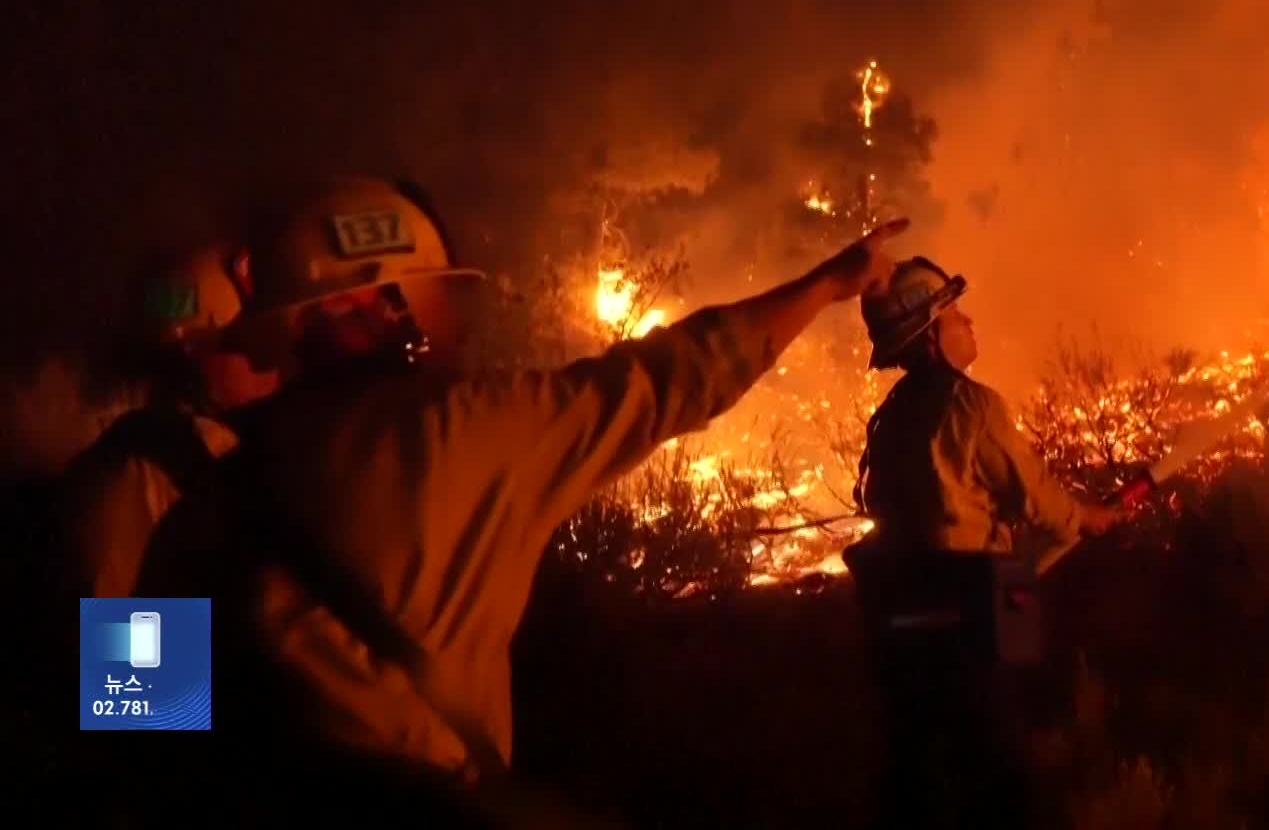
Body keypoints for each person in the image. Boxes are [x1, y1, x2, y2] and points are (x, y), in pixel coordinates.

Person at [136, 177, 906, 823]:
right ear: (370, 308)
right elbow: (674, 377)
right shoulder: (469, 431)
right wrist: (824, 286)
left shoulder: (196, 491)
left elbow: (134, 716)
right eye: (418, 298)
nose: (436, 320)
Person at [845, 256, 1120, 828]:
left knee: (916, 764)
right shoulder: (974, 406)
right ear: (930, 339)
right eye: (952, 314)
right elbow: (1032, 495)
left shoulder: (889, 418)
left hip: (899, 609)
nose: (967, 321)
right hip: (976, 600)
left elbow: (874, 501)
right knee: (998, 752)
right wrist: (1085, 517)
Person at [61, 241, 281, 598]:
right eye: (250, 343)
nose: (272, 362)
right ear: (192, 351)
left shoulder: (241, 448)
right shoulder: (142, 472)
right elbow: (129, 647)